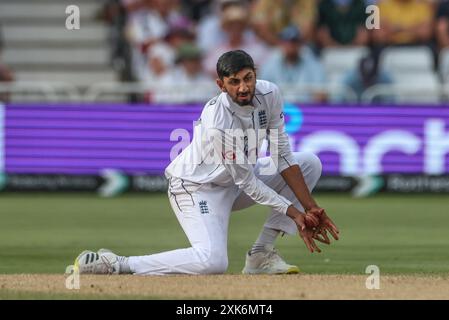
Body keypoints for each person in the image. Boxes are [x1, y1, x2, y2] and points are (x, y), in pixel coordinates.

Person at [74, 50, 339, 275]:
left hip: (234, 182)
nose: (244, 87)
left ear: (256, 74)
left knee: (309, 163)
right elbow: (248, 183)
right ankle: (117, 264)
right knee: (213, 262)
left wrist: (312, 208)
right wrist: (296, 215)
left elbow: (283, 157)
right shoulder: (217, 118)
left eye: (248, 78)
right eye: (234, 82)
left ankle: (260, 254)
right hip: (196, 187)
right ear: (221, 85)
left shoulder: (270, 95)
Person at [260, 25, 327, 103]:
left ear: (300, 44)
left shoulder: (313, 64)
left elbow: (321, 94)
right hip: (277, 109)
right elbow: (262, 92)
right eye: (286, 41)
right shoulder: (270, 64)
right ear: (281, 43)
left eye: (293, 41)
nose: (290, 45)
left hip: (306, 110)